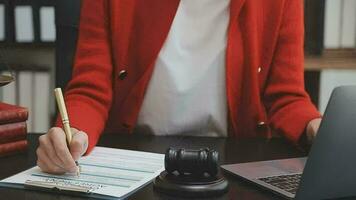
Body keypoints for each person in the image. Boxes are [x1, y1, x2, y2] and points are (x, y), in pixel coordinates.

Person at [36, 0, 322, 174]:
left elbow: (286, 95)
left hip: (231, 166)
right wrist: (69, 134)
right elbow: (90, 89)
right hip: (132, 161)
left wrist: (315, 127)